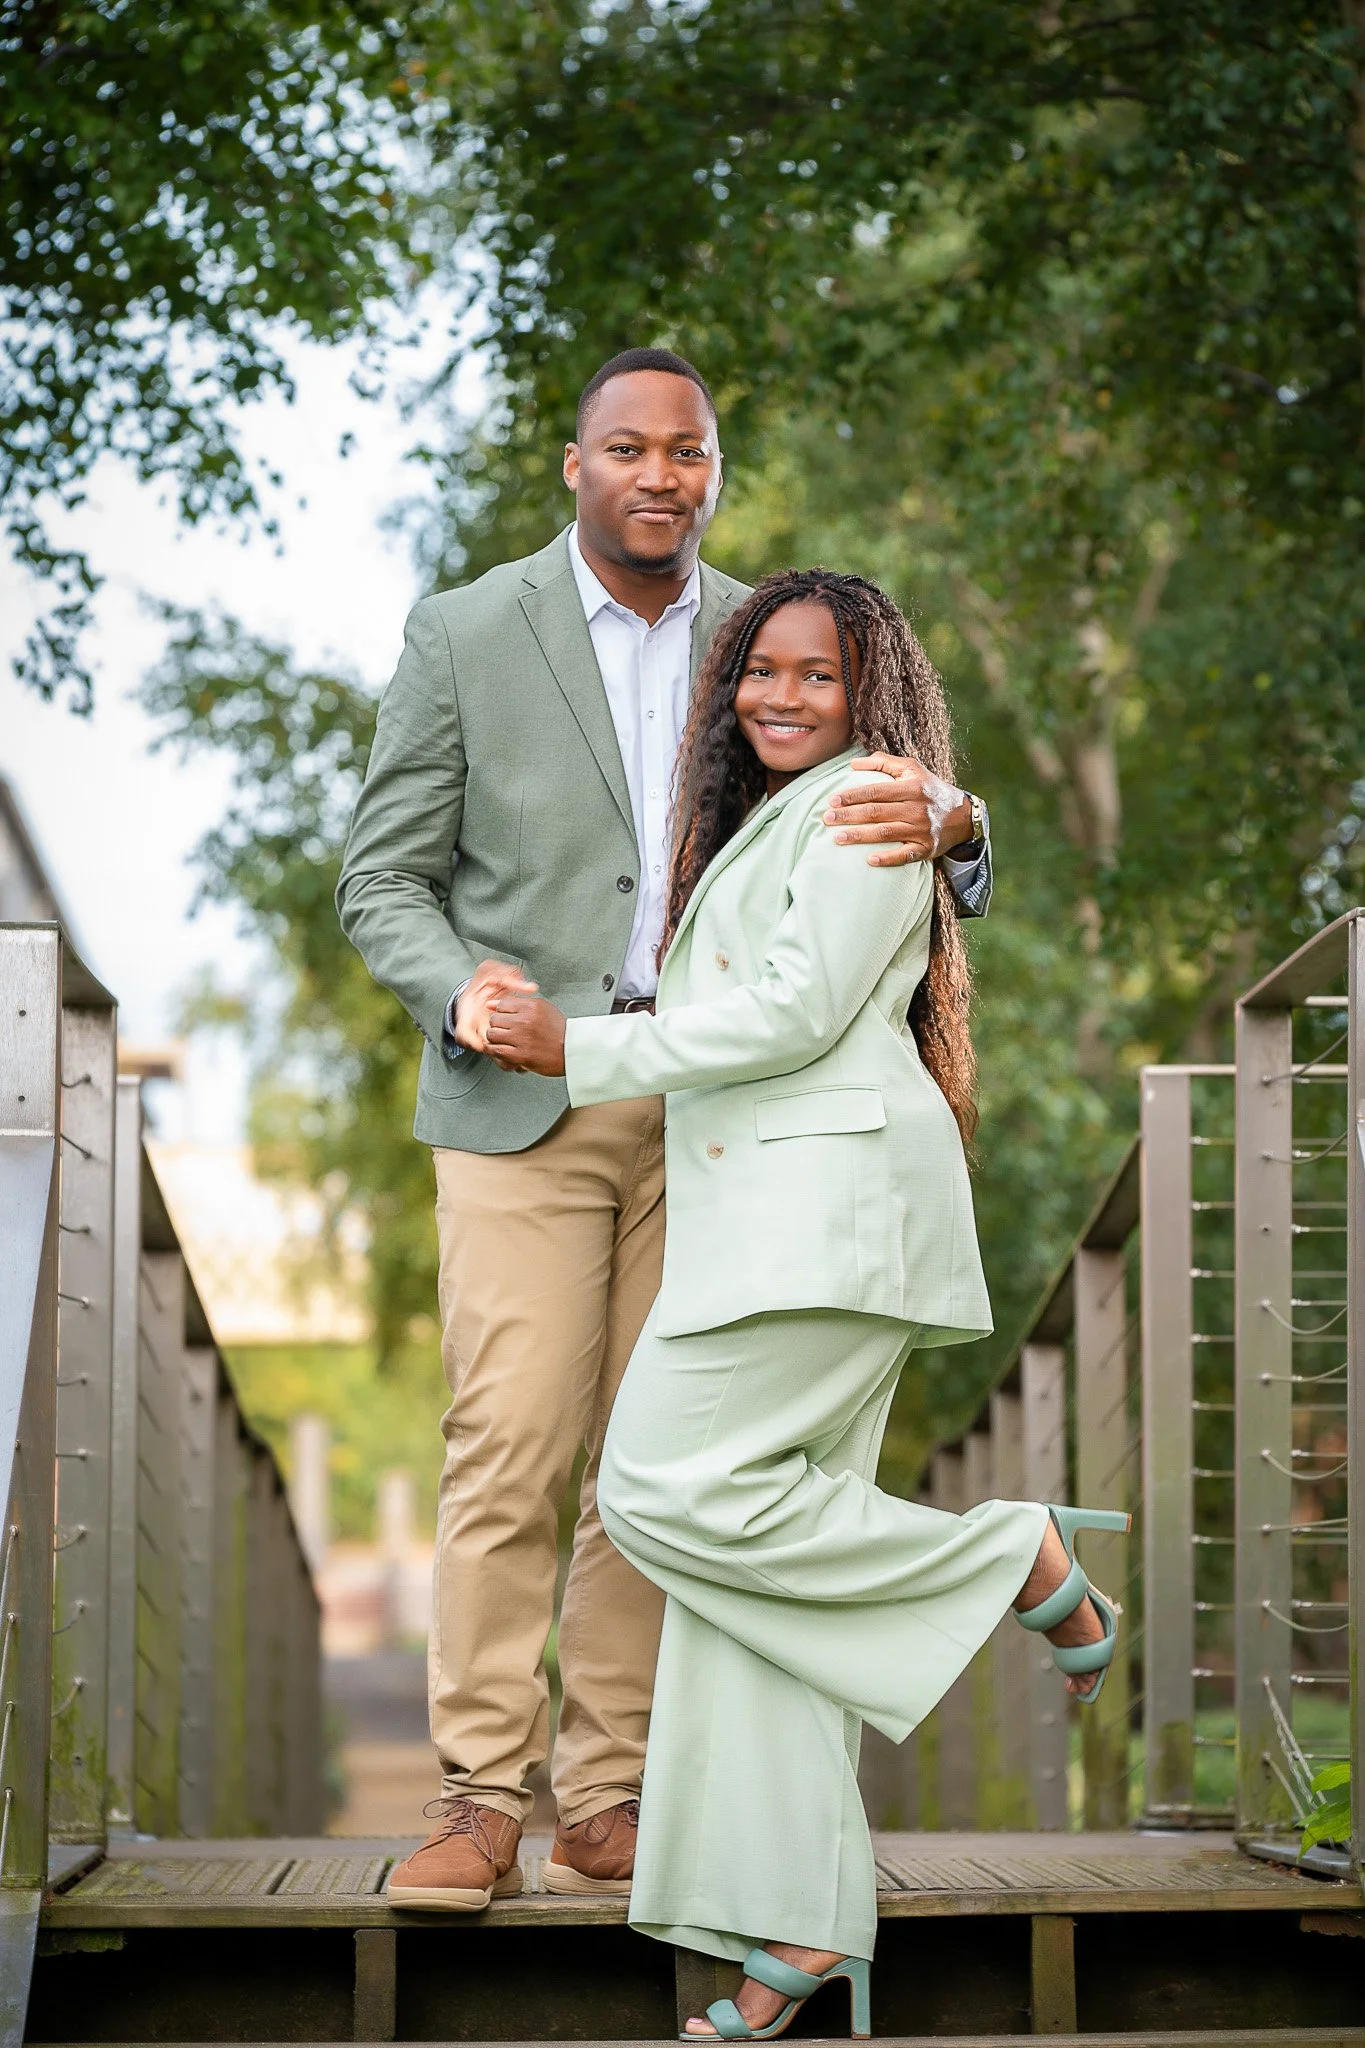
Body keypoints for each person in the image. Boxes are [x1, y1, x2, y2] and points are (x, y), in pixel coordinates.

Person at [337, 348, 997, 1911]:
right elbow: (380, 880)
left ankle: (608, 1796)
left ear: (714, 469)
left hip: (722, 1112)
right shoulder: (466, 631)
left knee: (659, 1454)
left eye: (686, 453)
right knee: (514, 1440)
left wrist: (968, 821)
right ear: (575, 465)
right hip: (524, 1099)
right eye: (626, 449)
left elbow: (905, 770)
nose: (658, 476)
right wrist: (460, 990)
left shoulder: (770, 634)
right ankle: (478, 1796)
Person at [486, 569, 1125, 2039]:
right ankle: (804, 1929)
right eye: (759, 671)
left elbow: (792, 1011)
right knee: (750, 1593)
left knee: (653, 1493)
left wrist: (568, 1051)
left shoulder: (872, 800)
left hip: (818, 1224)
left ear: (869, 694)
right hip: (794, 1227)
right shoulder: (802, 806)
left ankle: (1008, 1559)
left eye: (817, 676)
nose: (781, 696)